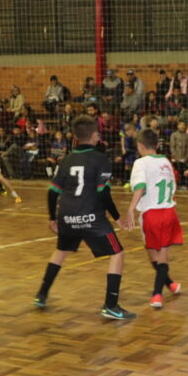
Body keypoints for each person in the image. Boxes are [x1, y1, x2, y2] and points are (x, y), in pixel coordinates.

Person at [34, 115, 135, 320]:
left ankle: (42, 294)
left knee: (61, 251)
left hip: (67, 216)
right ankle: (111, 305)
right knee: (118, 253)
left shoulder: (67, 159)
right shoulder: (100, 159)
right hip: (91, 217)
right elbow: (103, 193)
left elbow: (52, 192)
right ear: (95, 135)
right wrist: (117, 218)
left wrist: (52, 217)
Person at [122, 129, 184, 309]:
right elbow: (173, 185)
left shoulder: (140, 163)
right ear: (156, 145)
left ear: (140, 146)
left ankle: (156, 295)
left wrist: (131, 209)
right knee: (160, 253)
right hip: (169, 211)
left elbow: (140, 186)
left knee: (156, 254)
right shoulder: (166, 161)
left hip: (152, 213)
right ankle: (169, 283)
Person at [169, 121, 188, 189]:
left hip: (184, 157)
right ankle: (176, 184)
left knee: (184, 171)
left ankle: (184, 184)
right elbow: (172, 145)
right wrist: (174, 155)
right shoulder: (174, 135)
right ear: (177, 126)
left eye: (183, 125)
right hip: (176, 156)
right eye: (180, 125)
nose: (182, 126)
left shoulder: (187, 135)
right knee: (177, 171)